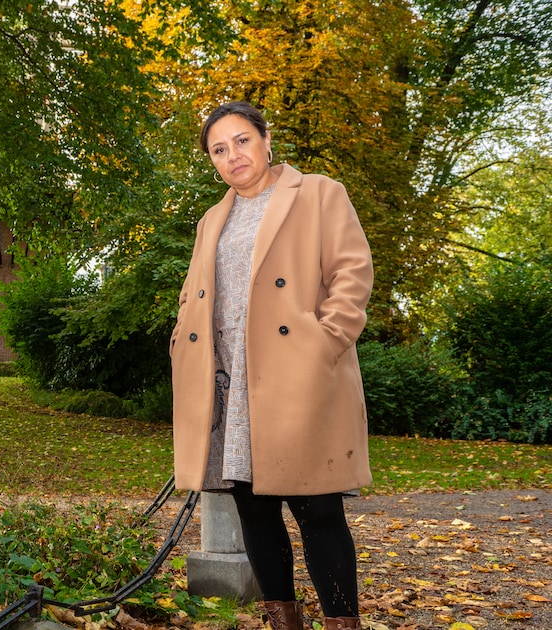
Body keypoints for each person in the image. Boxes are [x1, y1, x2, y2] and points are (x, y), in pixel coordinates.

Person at [169, 101, 373, 630]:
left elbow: (353, 271)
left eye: (241, 140)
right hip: (230, 383)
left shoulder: (320, 193)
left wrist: (327, 340)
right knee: (254, 511)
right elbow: (195, 294)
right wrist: (180, 343)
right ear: (212, 161)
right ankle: (283, 622)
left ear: (265, 139)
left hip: (299, 376)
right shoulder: (213, 219)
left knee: (319, 509)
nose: (232, 155)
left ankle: (341, 623)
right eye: (219, 149)